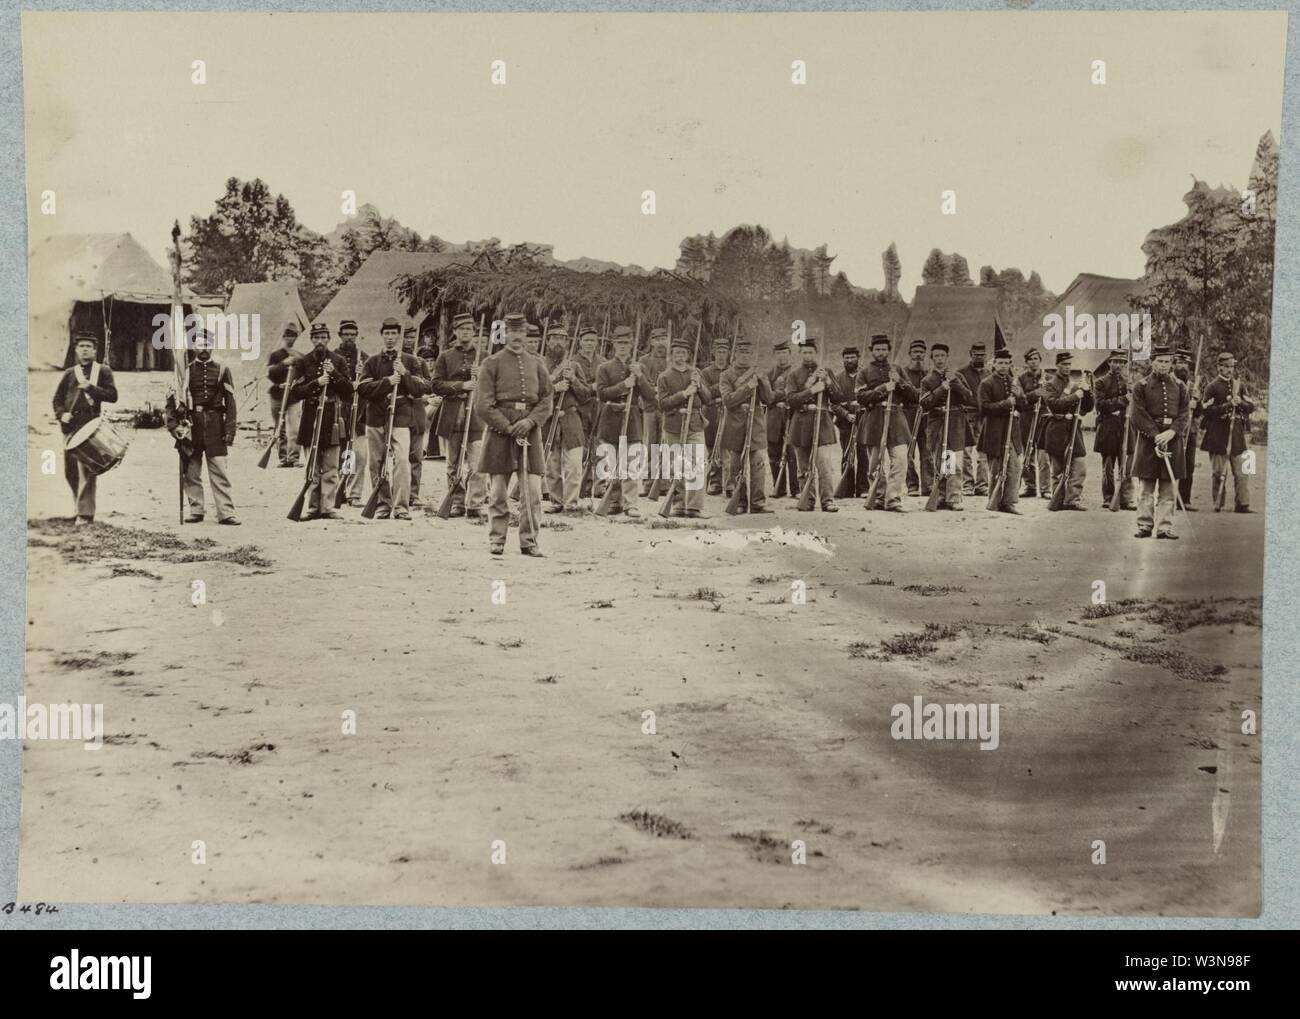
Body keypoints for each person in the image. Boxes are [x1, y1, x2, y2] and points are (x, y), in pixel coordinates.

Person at [477, 312, 553, 555]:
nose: (517, 337)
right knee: (498, 491)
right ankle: (497, 539)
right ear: (504, 334)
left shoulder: (537, 363)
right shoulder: (491, 363)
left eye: (521, 332)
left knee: (532, 491)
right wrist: (508, 427)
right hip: (502, 432)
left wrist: (530, 421)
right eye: (512, 332)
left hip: (529, 431)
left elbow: (547, 399)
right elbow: (483, 405)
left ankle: (529, 541)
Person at [356, 317, 430, 521]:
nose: (390, 338)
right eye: (386, 334)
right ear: (382, 336)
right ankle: (382, 504)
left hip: (401, 416)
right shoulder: (372, 362)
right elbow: (362, 388)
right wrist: (388, 382)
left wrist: (405, 374)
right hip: (376, 415)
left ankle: (400, 506)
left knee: (403, 460)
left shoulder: (411, 361)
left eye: (393, 334)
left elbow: (421, 389)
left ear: (398, 336)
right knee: (376, 462)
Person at [173, 328, 240, 525]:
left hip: (215, 424)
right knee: (191, 471)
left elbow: (231, 402)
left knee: (219, 471)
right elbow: (179, 400)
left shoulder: (222, 370)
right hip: (193, 425)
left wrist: (230, 430)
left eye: (207, 345)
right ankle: (196, 509)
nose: (204, 349)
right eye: (200, 345)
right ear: (194, 346)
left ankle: (226, 512)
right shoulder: (186, 371)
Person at [288, 323, 353, 520]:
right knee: (312, 465)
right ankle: (313, 507)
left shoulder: (338, 361)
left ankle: (328, 507)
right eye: (316, 337)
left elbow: (348, 389)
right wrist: (316, 384)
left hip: (332, 416)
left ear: (329, 339)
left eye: (323, 337)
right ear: (311, 339)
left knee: (331, 465)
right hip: (311, 415)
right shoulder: (303, 362)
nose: (320, 341)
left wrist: (333, 374)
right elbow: (295, 392)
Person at [53, 331, 118, 526]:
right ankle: (78, 507)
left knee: (87, 471)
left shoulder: (103, 371)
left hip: (90, 428)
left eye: (88, 347)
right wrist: (61, 414)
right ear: (76, 350)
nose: (84, 351)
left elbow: (113, 395)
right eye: (81, 347)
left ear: (95, 350)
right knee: (70, 471)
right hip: (69, 427)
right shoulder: (70, 373)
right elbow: (57, 400)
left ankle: (86, 514)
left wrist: (91, 388)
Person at [1129, 344, 1190, 538]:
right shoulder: (1141, 386)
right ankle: (1145, 525)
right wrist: (1156, 435)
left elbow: (1184, 413)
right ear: (1152, 362)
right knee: (1146, 487)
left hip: (1172, 440)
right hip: (1149, 441)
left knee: (1168, 488)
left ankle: (1164, 527)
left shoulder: (1180, 386)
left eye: (1167, 362)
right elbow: (1137, 414)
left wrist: (1172, 432)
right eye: (1160, 361)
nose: (1164, 365)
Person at [431, 312, 488, 518]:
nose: (466, 333)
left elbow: (494, 386)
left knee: (478, 462)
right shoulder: (445, 356)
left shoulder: (484, 355)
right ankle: (456, 502)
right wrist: (461, 385)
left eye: (469, 329)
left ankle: (474, 504)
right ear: (455, 332)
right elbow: (436, 385)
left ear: (474, 332)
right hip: (452, 412)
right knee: (453, 463)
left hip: (476, 415)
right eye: (462, 329)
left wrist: (481, 376)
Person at [595, 325, 655, 517]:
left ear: (631, 345)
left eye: (626, 343)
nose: (622, 346)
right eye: (619, 343)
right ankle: (613, 500)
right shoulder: (604, 367)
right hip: (611, 416)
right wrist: (624, 385)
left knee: (631, 462)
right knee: (611, 462)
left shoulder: (640, 367)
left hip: (632, 419)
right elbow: (602, 394)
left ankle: (631, 504)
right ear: (613, 344)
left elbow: (650, 396)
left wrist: (639, 377)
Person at [856, 334, 915, 511]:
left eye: (884, 349)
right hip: (875, 419)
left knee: (900, 460)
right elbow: (860, 397)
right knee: (875, 464)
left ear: (889, 351)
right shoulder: (864, 372)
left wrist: (900, 382)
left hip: (896, 419)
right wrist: (883, 389)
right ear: (872, 351)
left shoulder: (898, 370)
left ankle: (893, 498)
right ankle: (879, 496)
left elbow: (914, 396)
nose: (880, 352)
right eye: (877, 349)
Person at [656, 332, 712, 518]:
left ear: (688, 355)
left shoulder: (695, 373)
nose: (680, 356)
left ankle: (694, 507)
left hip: (695, 425)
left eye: (683, 353)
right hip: (673, 426)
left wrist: (699, 386)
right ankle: (679, 505)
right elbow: (662, 403)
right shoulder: (664, 376)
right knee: (676, 466)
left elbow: (707, 399)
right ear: (672, 355)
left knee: (697, 464)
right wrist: (683, 394)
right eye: (677, 353)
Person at [785, 337, 843, 511]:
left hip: (822, 422)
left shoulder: (826, 371)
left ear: (816, 353)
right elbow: (791, 400)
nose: (807, 355)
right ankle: (807, 500)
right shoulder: (794, 375)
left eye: (810, 352)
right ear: (799, 354)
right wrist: (811, 390)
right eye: (804, 352)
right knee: (803, 466)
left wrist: (827, 382)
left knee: (824, 464)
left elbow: (839, 397)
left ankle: (827, 500)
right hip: (801, 423)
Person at [719, 336, 773, 512]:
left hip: (755, 423)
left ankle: (758, 503)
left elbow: (769, 399)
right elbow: (728, 400)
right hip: (735, 426)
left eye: (748, 353)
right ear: (734, 354)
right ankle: (740, 502)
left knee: (758, 464)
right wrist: (748, 387)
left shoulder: (759, 373)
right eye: (741, 352)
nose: (744, 356)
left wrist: (762, 381)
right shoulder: (726, 375)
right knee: (736, 466)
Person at [1201, 351, 1255, 513]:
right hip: (1218, 435)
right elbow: (1207, 411)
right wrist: (1227, 405)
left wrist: (1240, 404)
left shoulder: (1240, 385)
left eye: (1232, 366)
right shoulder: (1211, 387)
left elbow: (1251, 407)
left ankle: (1242, 504)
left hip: (1237, 435)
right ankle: (1218, 502)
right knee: (1218, 472)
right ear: (1219, 367)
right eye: (1226, 366)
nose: (1230, 370)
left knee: (1242, 471)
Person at [919, 342, 971, 510]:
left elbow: (968, 397)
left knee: (954, 461)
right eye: (936, 356)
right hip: (937, 423)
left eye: (942, 356)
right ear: (932, 359)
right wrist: (942, 388)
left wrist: (954, 382)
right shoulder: (927, 380)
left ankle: (954, 497)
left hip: (955, 422)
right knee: (941, 460)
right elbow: (924, 403)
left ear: (947, 357)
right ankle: (941, 496)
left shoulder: (957, 376)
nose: (939, 359)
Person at [544, 327, 591, 512]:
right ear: (547, 341)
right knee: (551, 465)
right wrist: (555, 387)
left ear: (567, 342)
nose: (558, 342)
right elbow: (535, 393)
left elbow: (586, 396)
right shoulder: (540, 364)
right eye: (554, 338)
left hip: (571, 419)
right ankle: (556, 502)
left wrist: (573, 380)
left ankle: (571, 503)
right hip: (549, 419)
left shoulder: (574, 365)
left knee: (573, 464)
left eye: (562, 339)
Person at [978, 348, 1028, 514]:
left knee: (1014, 466)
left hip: (1012, 432)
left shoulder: (1014, 382)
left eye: (1006, 363)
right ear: (994, 364)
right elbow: (984, 408)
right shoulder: (986, 383)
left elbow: (1023, 406)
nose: (1003, 366)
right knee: (997, 468)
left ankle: (1008, 502)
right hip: (994, 432)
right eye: (1000, 363)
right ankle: (994, 500)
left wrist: (1020, 395)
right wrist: (1005, 404)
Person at [1042, 352, 1093, 510]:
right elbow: (1054, 405)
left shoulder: (1076, 384)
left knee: (1079, 466)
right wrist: (1075, 396)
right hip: (1056, 429)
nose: (1067, 367)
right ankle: (1058, 499)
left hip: (1073, 430)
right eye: (1064, 364)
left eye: (1069, 364)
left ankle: (1072, 500)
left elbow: (1088, 408)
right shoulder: (1049, 384)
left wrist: (1087, 392)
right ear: (1057, 365)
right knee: (1057, 469)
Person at [1093, 352, 1134, 510]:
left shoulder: (1127, 383)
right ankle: (1108, 496)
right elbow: (1100, 405)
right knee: (1108, 466)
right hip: (1108, 428)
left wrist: (1131, 394)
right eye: (1116, 361)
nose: (1119, 365)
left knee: (1126, 465)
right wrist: (1122, 400)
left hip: (1123, 427)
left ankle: (1126, 498)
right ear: (1109, 363)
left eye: (1122, 362)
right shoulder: (1101, 383)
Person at [335, 320, 368, 505]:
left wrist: (362, 376)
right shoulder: (333, 356)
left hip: (360, 412)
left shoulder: (364, 357)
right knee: (343, 453)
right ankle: (340, 490)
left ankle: (355, 494)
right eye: (346, 334)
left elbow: (372, 383)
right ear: (340, 335)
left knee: (359, 455)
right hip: (340, 412)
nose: (349, 337)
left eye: (352, 334)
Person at [401, 326, 432, 507]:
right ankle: (400, 492)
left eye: (413, 337)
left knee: (417, 456)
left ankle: (413, 493)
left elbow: (428, 385)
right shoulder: (394, 361)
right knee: (400, 457)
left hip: (417, 412)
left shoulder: (420, 362)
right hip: (399, 413)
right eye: (406, 337)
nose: (409, 341)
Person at [637, 327, 670, 495]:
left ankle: (664, 483)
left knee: (666, 445)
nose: (661, 342)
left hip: (667, 409)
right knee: (650, 445)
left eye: (664, 338)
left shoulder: (672, 361)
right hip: (649, 408)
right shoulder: (643, 361)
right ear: (651, 342)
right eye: (657, 339)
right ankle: (648, 483)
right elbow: (641, 383)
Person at [265, 323, 304, 467]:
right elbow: (269, 373)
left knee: (295, 428)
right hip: (277, 395)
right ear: (283, 336)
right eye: (287, 335)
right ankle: (283, 458)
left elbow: (305, 374)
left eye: (293, 335)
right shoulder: (276, 355)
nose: (290, 338)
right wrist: (284, 363)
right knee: (278, 428)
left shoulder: (300, 356)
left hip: (293, 396)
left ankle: (293, 458)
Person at [957, 342, 990, 496]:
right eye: (976, 354)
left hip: (985, 415)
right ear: (971, 354)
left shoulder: (989, 374)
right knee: (966, 451)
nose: (979, 357)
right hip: (968, 414)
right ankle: (967, 484)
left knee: (984, 451)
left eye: (982, 354)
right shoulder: (961, 373)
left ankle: (982, 485)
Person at [1018, 349, 1051, 498]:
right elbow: (1020, 399)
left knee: (1043, 455)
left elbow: (1053, 398)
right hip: (1026, 418)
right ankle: (1030, 486)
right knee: (1027, 454)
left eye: (1036, 358)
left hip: (1043, 418)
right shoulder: (1021, 379)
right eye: (1030, 359)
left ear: (1040, 360)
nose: (1033, 361)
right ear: (1026, 362)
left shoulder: (1048, 378)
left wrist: (1044, 392)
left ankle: (1045, 489)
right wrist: (1035, 393)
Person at [701, 337, 731, 496]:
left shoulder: (732, 370)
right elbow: (705, 393)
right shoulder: (705, 372)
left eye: (724, 352)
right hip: (711, 414)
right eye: (718, 352)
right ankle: (714, 482)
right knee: (712, 447)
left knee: (727, 448)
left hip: (728, 413)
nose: (721, 355)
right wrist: (723, 386)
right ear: (713, 353)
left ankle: (729, 483)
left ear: (728, 353)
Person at [1172, 347, 1202, 510]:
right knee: (1170, 465)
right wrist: (1186, 405)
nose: (1183, 366)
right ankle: (1168, 498)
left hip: (1190, 432)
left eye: (1186, 363)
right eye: (1180, 363)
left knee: (1188, 466)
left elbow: (1199, 412)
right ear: (1174, 364)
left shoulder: (1193, 386)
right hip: (1174, 431)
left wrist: (1197, 401)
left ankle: (1184, 500)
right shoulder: (1169, 383)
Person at [834, 345, 865, 495]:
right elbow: (833, 404)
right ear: (843, 360)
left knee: (863, 455)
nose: (850, 360)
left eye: (853, 357)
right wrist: (846, 414)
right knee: (847, 454)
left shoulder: (865, 376)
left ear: (858, 358)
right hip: (845, 423)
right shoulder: (837, 378)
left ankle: (863, 489)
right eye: (847, 358)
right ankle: (846, 488)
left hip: (864, 421)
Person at [767, 342, 797, 497]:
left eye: (784, 352)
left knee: (793, 455)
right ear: (774, 355)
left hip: (791, 417)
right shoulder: (769, 374)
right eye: (778, 353)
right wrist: (782, 393)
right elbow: (766, 397)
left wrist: (778, 395)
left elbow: (797, 394)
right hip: (773, 419)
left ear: (789, 353)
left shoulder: (796, 372)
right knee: (774, 455)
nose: (782, 356)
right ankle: (779, 488)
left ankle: (796, 489)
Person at [900, 339, 929, 496]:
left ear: (925, 354)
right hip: (908, 414)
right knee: (908, 451)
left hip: (926, 415)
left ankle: (927, 485)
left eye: (921, 352)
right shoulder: (903, 373)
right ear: (910, 354)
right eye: (915, 352)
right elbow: (907, 393)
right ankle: (912, 485)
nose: (918, 355)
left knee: (927, 451)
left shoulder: (929, 373)